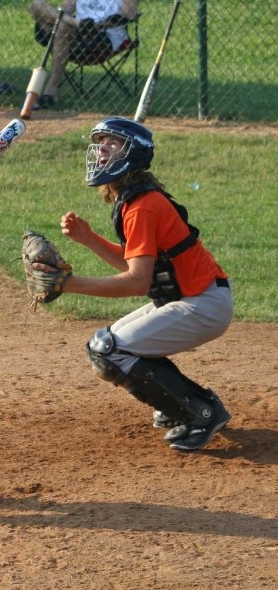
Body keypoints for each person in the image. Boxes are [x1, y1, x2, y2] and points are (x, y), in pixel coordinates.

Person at [40, 117, 233, 451]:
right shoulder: (134, 200)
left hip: (202, 304)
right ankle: (179, 403)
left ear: (133, 154)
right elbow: (135, 264)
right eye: (100, 142)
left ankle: (200, 411)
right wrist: (89, 239)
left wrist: (67, 284)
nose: (101, 149)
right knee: (103, 345)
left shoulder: (142, 206)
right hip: (192, 298)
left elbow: (136, 281)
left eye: (112, 143)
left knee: (110, 350)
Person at [27, 0, 138, 109]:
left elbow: (129, 16)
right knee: (36, 4)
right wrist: (75, 23)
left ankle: (51, 90)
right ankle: (77, 23)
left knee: (61, 28)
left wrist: (98, 26)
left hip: (103, 37)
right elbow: (65, 10)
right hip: (76, 30)